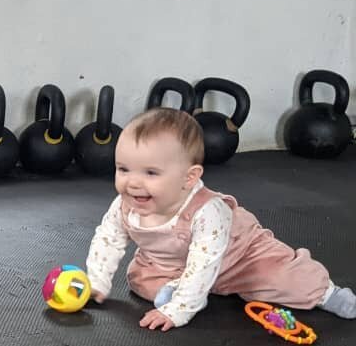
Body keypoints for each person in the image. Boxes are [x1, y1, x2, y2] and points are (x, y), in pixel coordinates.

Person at [86, 107, 356, 331]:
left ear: (189, 178)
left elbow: (205, 261)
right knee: (139, 278)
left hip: (239, 256)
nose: (132, 183)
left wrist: (179, 310)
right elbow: (108, 240)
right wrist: (97, 282)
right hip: (170, 265)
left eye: (150, 173)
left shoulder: (208, 212)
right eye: (123, 169)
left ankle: (328, 293)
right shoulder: (124, 205)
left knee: (283, 279)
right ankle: (182, 288)